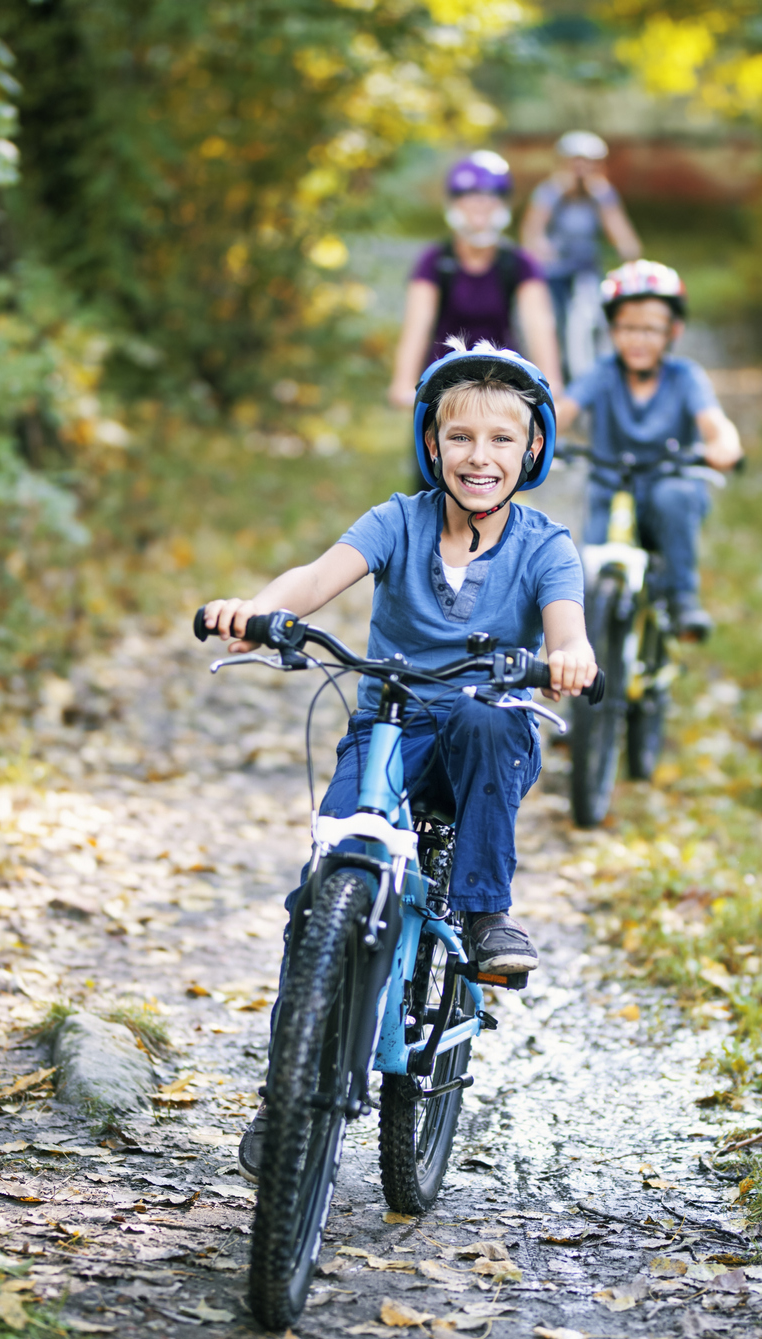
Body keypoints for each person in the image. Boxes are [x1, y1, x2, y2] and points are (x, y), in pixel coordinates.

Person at [202, 343, 598, 1179]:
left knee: (489, 723)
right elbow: (313, 580)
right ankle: (285, 1098)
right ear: (431, 443)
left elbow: (566, 627)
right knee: (322, 886)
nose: (478, 457)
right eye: (459, 438)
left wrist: (568, 657)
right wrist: (256, 610)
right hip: (390, 725)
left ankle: (484, 911)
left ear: (532, 449)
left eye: (500, 440)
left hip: (479, 736)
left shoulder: (544, 545)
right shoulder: (398, 520)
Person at [555, 260, 743, 642]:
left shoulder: (685, 378)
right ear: (612, 330)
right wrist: (531, 436)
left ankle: (681, 599)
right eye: (627, 327)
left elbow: (713, 422)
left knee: (675, 497)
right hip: (609, 485)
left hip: (667, 484)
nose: (637, 339)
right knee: (585, 568)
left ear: (674, 331)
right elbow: (563, 410)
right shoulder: (602, 373)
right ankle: (581, 643)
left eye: (651, 329)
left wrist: (724, 444)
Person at [388, 152, 562, 412]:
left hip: (501, 386)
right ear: (455, 203)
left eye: (489, 198)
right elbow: (417, 325)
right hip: (442, 387)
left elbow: (539, 324)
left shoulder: (519, 263)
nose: (480, 206)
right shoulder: (435, 262)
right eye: (470, 197)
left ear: (503, 204)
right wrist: (403, 382)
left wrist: (551, 382)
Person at [521, 131, 643, 352]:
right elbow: (532, 231)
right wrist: (539, 247)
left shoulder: (601, 194)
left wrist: (629, 252)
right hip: (554, 270)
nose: (581, 169)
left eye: (589, 163)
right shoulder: (549, 192)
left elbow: (619, 229)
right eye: (576, 162)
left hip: (586, 268)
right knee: (551, 321)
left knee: (594, 317)